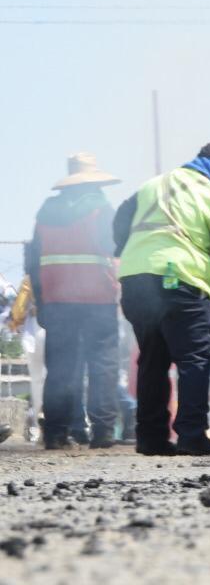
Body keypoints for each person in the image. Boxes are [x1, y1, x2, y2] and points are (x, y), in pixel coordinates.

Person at [114, 142, 210, 456]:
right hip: (181, 281)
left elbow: (121, 218)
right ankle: (191, 435)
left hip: (136, 279)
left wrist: (126, 250)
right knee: (194, 360)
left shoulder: (152, 185)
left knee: (153, 359)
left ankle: (151, 438)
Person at [25, 153, 122, 449]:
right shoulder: (102, 209)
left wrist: (41, 301)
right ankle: (103, 431)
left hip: (56, 300)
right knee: (102, 364)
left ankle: (55, 432)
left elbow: (33, 261)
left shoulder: (45, 212)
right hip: (98, 299)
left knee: (61, 368)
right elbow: (114, 249)